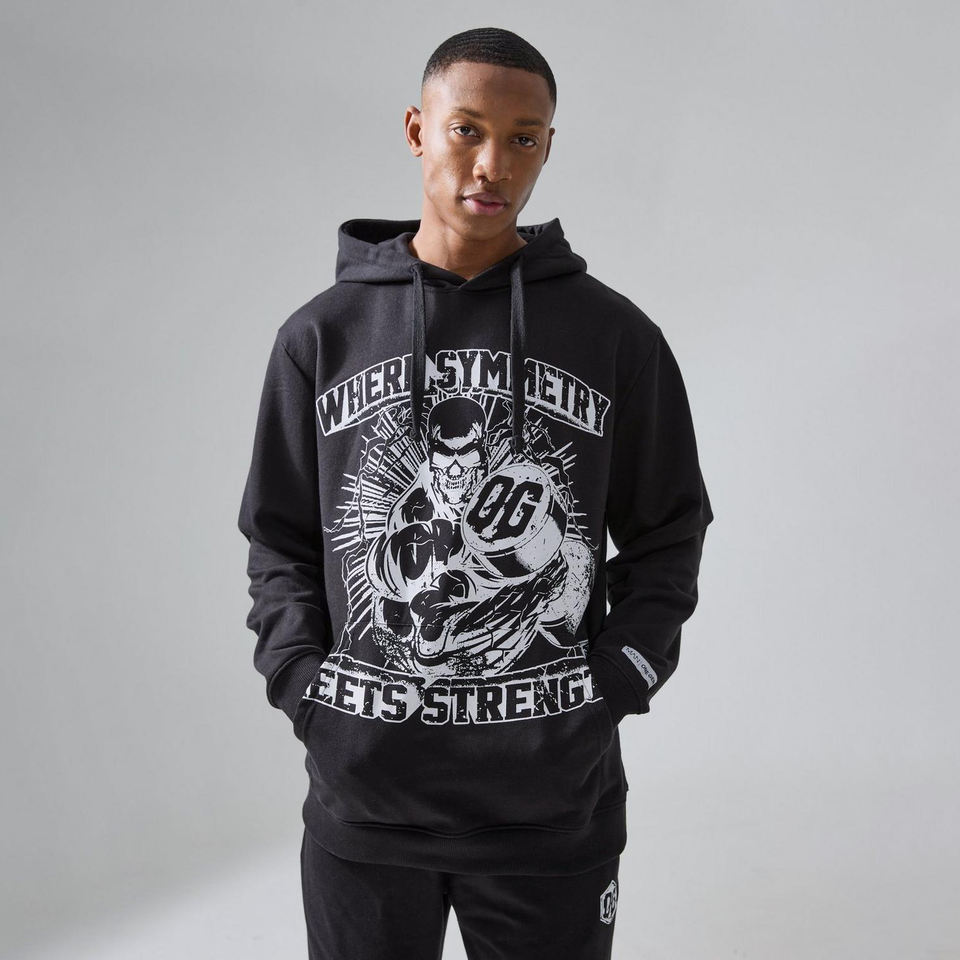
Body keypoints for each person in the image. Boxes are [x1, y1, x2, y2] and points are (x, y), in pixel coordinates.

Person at [237, 25, 714, 960]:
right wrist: (304, 688)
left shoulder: (614, 337)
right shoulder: (320, 338)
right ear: (418, 131)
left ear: (547, 146)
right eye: (467, 130)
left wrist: (616, 679)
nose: (494, 164)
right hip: (365, 808)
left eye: (523, 138)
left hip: (552, 811)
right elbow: (279, 540)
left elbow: (669, 533)